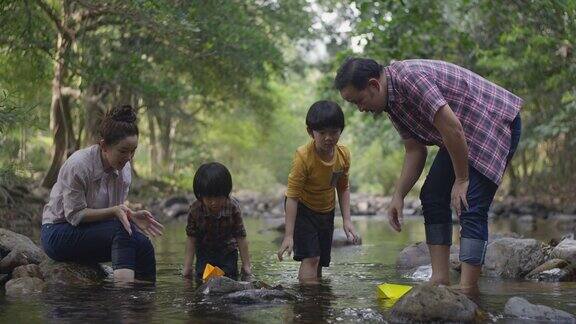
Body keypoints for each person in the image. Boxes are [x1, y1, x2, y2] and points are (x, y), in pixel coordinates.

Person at [335, 58, 522, 293]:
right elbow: (415, 150)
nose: (360, 109)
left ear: (374, 85)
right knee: (432, 195)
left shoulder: (410, 79)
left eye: (358, 101)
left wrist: (461, 180)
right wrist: (398, 196)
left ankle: (468, 290)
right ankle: (440, 279)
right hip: (458, 135)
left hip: (492, 124)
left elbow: (452, 128)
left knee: (470, 202)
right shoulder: (391, 103)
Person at [41, 105, 164, 283]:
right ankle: (124, 297)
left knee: (143, 244)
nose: (129, 157)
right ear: (104, 145)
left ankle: (143, 304)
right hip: (57, 232)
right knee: (122, 229)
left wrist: (130, 215)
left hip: (88, 233)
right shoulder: (79, 165)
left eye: (133, 151)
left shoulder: (125, 170)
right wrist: (116, 212)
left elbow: (115, 214)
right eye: (123, 151)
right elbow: (74, 216)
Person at [277, 100, 359, 282]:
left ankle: (319, 304)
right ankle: (308, 303)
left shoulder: (343, 155)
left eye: (334, 132)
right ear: (310, 132)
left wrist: (347, 220)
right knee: (311, 257)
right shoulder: (303, 157)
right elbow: (292, 196)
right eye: (322, 133)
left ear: (341, 131)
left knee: (320, 259)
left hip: (326, 209)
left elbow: (343, 187)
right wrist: (289, 235)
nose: (328, 138)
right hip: (303, 209)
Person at [182, 162, 252, 280]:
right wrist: (187, 267)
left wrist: (246, 265)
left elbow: (240, 236)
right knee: (202, 277)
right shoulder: (195, 209)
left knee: (229, 277)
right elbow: (191, 238)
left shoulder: (232, 207)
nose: (214, 202)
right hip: (204, 251)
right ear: (200, 195)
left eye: (218, 197)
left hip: (228, 251)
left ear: (226, 193)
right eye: (209, 198)